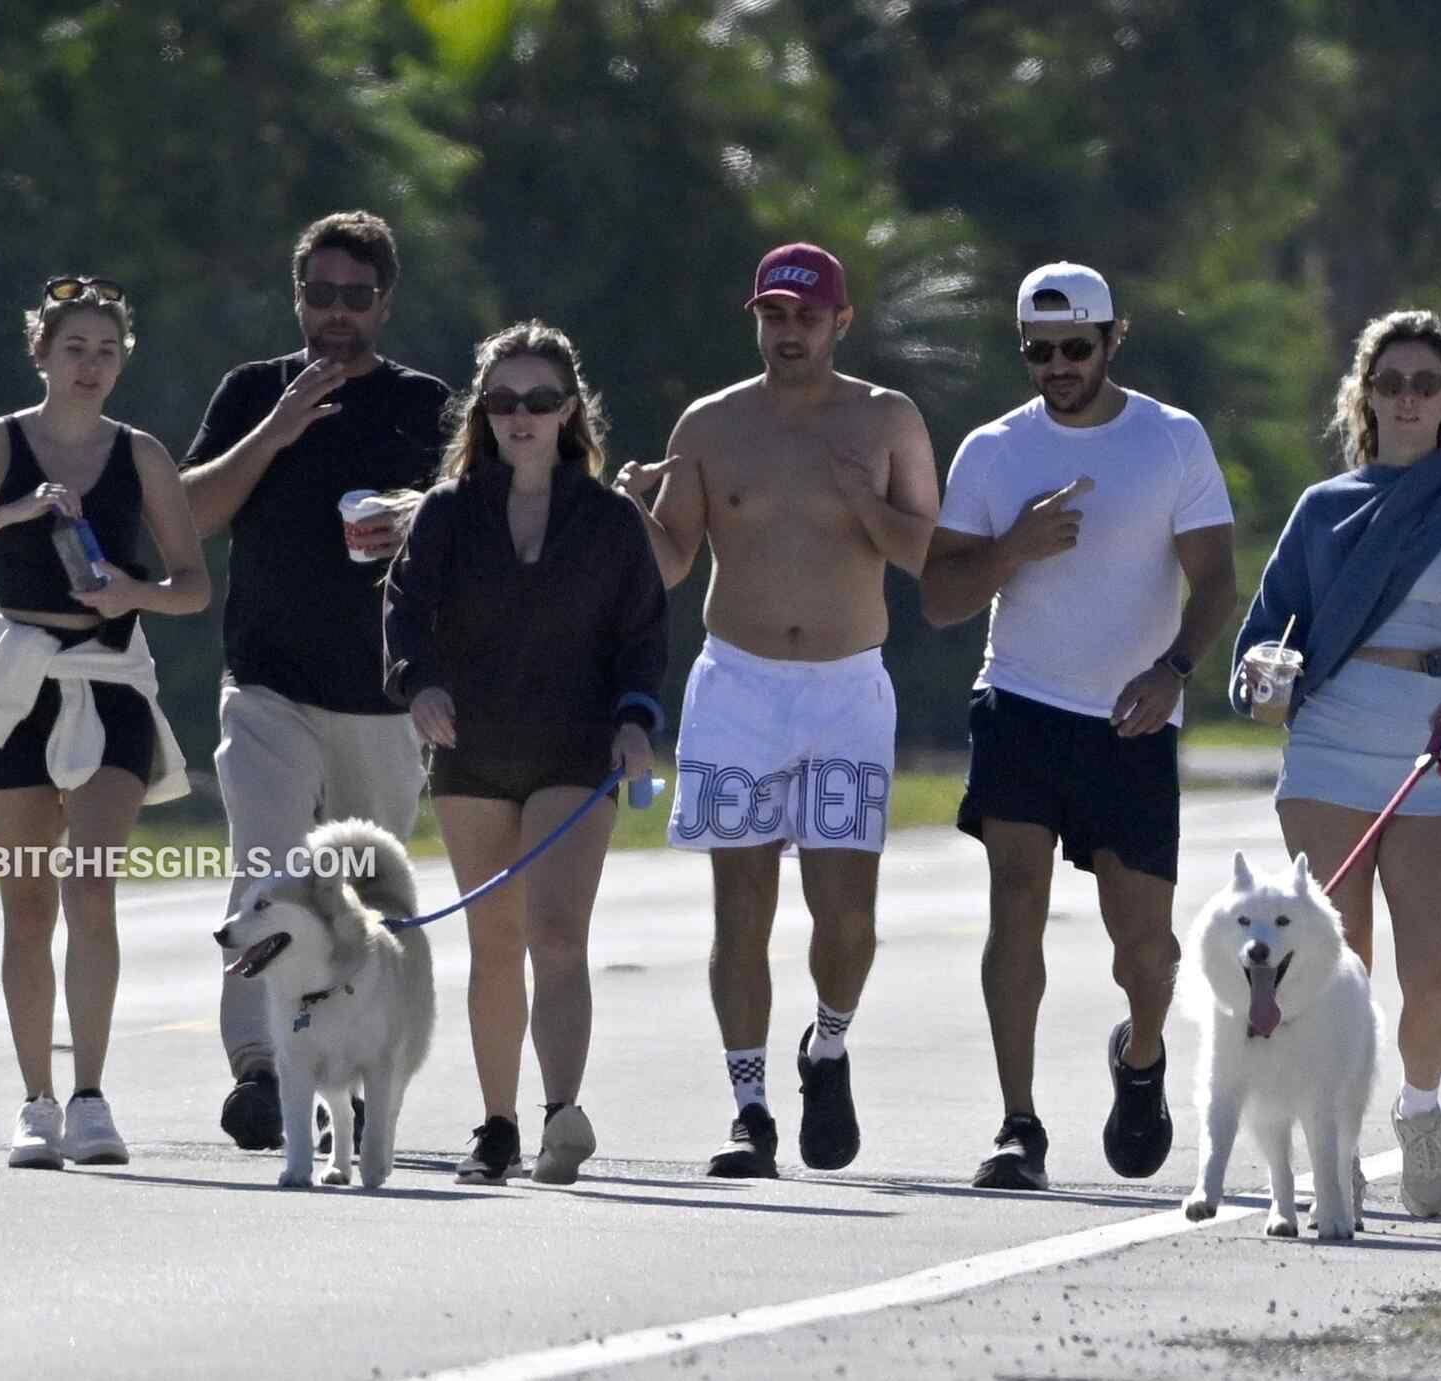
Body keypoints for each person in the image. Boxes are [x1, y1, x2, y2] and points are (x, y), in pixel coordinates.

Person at [614, 243, 940, 1178]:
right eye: (773, 315)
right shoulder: (711, 424)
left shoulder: (886, 417)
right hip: (739, 687)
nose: (788, 331)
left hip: (845, 688)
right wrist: (630, 508)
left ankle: (827, 1045)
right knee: (741, 910)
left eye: (806, 315)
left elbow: (928, 551)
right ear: (755, 318)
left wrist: (864, 501)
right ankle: (749, 1109)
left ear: (841, 322)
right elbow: (673, 561)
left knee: (847, 920)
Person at [920, 262, 1237, 1191]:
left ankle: (1141, 1056)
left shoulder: (1171, 438)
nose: (1056, 366)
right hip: (1020, 703)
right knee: (1015, 897)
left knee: (1145, 948)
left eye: (1073, 347)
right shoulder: (992, 450)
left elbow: (1216, 582)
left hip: (1132, 721)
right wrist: (1011, 549)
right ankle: (1018, 1124)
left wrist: (1172, 670)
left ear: (1112, 339)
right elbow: (940, 598)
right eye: (1038, 350)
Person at [0, 277, 210, 1168]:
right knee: (27, 901)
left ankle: (92, 1095)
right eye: (74, 348)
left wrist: (134, 591)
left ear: (123, 361)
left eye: (107, 350)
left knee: (91, 884)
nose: (90, 365)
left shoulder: (141, 454)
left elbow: (192, 585)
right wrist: (11, 512)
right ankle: (37, 1100)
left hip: (109, 678)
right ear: (41, 353)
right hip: (15, 681)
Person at [1230, 308, 1441, 1218]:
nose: (1408, 399)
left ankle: (1421, 1108)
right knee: (1338, 970)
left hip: (1436, 745)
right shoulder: (1322, 508)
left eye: (1425, 384)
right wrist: (1262, 672)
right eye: (1391, 383)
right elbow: (1268, 627)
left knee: (1433, 979)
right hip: (1327, 750)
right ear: (1365, 396)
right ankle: (1338, 1144)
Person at [181, 211, 451, 1150]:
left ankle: (365, 1067)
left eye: (356, 297)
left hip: (383, 693)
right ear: (297, 296)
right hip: (268, 684)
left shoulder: (423, 403)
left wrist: (414, 513)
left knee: (367, 897)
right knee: (266, 870)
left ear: (385, 302)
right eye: (320, 294)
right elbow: (193, 511)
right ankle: (260, 1067)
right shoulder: (254, 390)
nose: (337, 313)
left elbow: (472, 520)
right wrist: (277, 430)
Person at [382, 321, 667, 1185]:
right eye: (503, 400)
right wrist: (418, 683)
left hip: (575, 749)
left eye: (541, 400)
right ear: (483, 411)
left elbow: (642, 636)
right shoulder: (448, 510)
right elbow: (403, 610)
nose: (522, 415)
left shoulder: (611, 519)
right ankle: (497, 1125)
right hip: (471, 747)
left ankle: (561, 1115)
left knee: (556, 932)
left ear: (570, 410)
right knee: (494, 941)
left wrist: (635, 720)